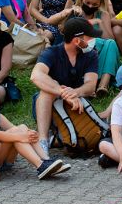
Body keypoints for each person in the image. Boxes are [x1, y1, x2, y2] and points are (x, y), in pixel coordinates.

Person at [0, 78, 65, 179]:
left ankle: (46, 160)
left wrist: (29, 133)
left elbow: (17, 129)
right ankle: (41, 165)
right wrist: (22, 136)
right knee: (17, 134)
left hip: (2, 159)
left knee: (22, 128)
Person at [31, 17, 99, 152]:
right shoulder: (52, 52)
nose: (92, 41)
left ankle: (58, 137)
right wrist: (62, 92)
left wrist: (76, 93)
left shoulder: (91, 55)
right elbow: (36, 76)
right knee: (47, 91)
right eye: (89, 37)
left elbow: (91, 85)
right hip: (49, 104)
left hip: (75, 104)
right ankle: (43, 140)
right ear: (77, 40)